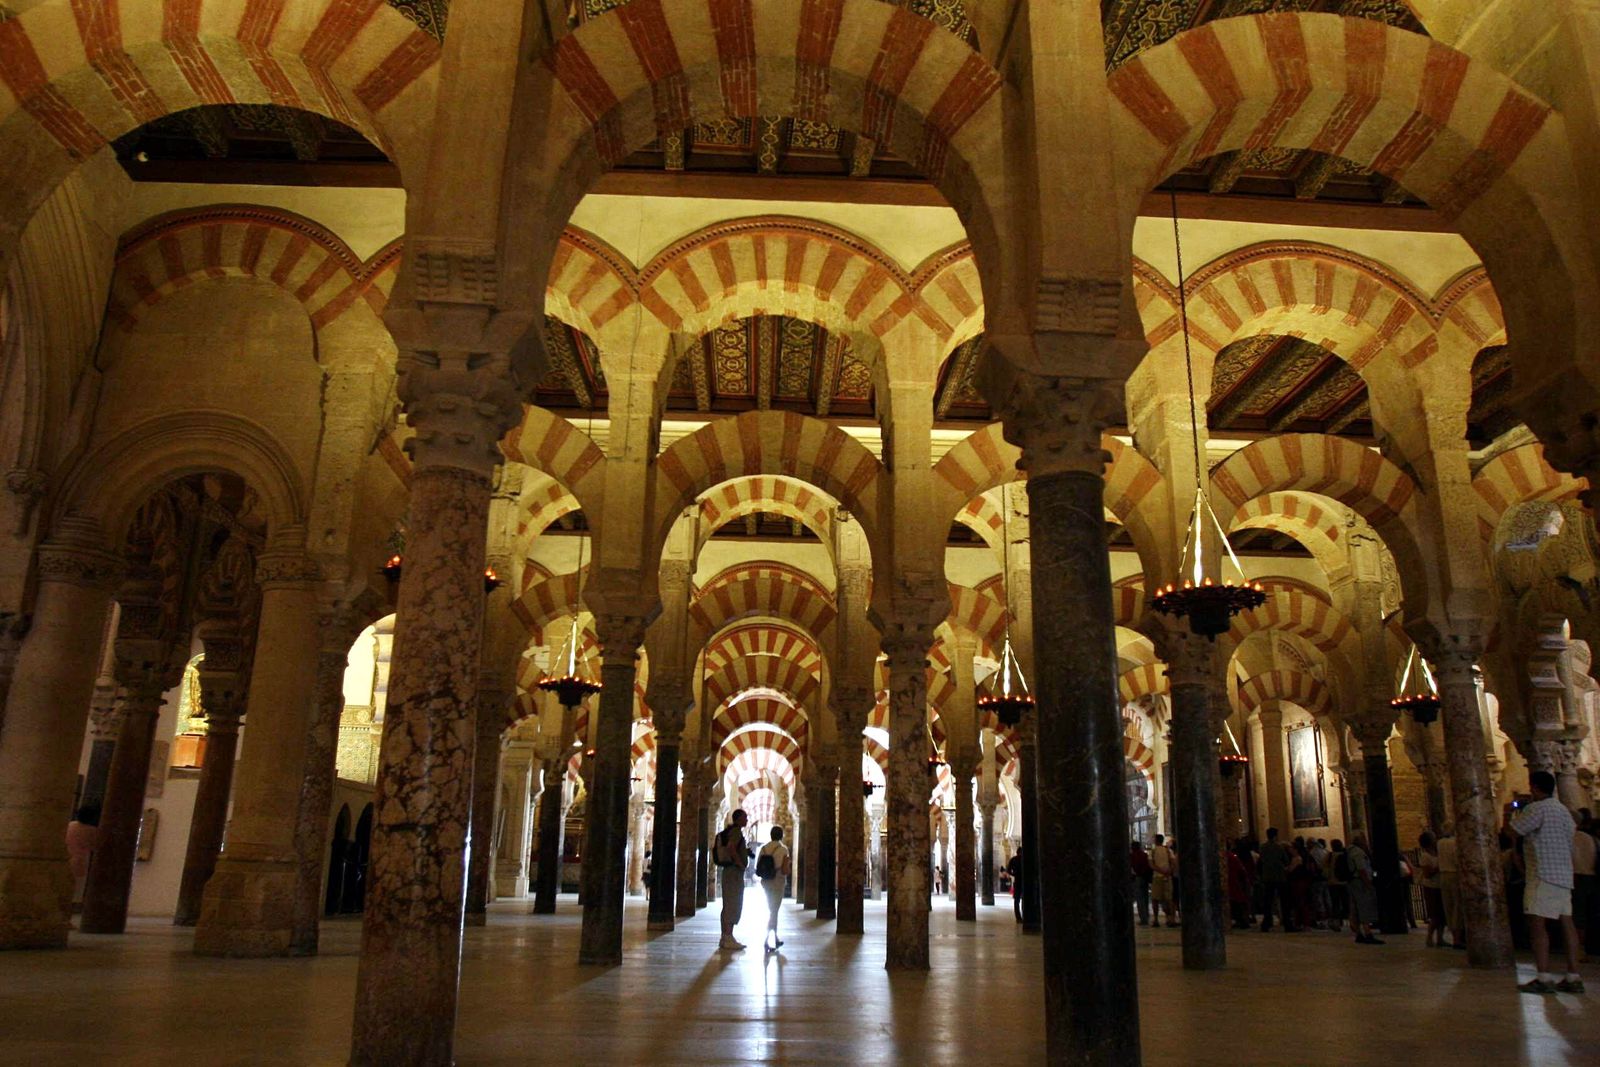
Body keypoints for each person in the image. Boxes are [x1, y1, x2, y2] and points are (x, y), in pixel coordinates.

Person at [1508, 771, 1584, 994]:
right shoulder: (1563, 811)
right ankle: (1573, 975)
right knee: (1567, 923)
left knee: (1537, 924)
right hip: (1564, 875)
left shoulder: (1537, 808)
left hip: (1542, 874)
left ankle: (1543, 976)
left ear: (1535, 788)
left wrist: (1513, 813)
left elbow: (1512, 831)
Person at [714, 809, 752, 951]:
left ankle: (725, 937)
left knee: (728, 903)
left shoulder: (730, 831)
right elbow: (731, 847)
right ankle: (728, 937)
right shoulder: (736, 831)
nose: (747, 820)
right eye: (745, 817)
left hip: (728, 872)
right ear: (738, 819)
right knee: (733, 903)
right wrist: (740, 863)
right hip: (734, 872)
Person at [757, 826, 791, 952]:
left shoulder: (764, 848)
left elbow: (758, 866)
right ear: (781, 836)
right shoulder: (783, 849)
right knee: (774, 911)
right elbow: (785, 870)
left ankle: (775, 939)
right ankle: (767, 939)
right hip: (778, 881)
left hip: (766, 881)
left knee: (772, 909)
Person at [1346, 832, 1384, 945]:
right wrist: (1368, 883)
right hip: (1360, 882)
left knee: (1356, 907)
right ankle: (1368, 933)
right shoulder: (1358, 852)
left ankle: (1358, 933)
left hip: (1353, 881)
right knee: (1364, 906)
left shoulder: (1349, 851)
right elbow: (1362, 869)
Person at [1257, 828, 1296, 932]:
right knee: (1284, 901)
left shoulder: (1263, 847)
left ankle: (1266, 923)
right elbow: (1286, 861)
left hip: (1267, 877)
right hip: (1279, 876)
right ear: (1275, 836)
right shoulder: (1279, 847)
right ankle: (1287, 923)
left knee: (1268, 901)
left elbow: (1260, 862)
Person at [65, 803, 101, 906]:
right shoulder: (92, 830)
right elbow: (96, 846)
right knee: (76, 891)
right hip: (80, 862)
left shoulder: (70, 825)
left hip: (66, 858)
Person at [1436, 830, 1464, 949]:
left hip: (1443, 875)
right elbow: (1457, 860)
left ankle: (1454, 937)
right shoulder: (1455, 843)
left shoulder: (1440, 843)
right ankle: (1458, 938)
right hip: (1454, 874)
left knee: (1449, 907)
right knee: (1457, 907)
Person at [1417, 830, 1445, 947]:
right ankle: (1429, 937)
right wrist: (1439, 868)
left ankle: (1440, 938)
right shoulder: (1425, 856)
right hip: (1431, 887)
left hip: (1440, 885)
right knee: (1435, 914)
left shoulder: (1438, 853)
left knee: (1442, 914)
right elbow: (1427, 874)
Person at [1149, 834, 1178, 928]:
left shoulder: (1152, 851)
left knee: (1155, 899)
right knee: (1168, 898)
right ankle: (1169, 919)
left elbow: (1151, 864)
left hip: (1157, 877)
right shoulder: (1168, 851)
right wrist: (1168, 872)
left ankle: (1156, 919)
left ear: (1155, 841)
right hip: (1167, 877)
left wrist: (1160, 870)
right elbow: (1173, 863)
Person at [1227, 837, 1255, 930]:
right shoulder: (1233, 857)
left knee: (1237, 903)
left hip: (1234, 883)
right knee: (1241, 902)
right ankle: (1244, 919)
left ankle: (1242, 920)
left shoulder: (1230, 857)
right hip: (1237, 882)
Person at [1325, 839, 1348, 933]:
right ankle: (1344, 919)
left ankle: (1336, 921)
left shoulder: (1330, 856)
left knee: (1335, 903)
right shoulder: (1345, 855)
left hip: (1332, 882)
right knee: (1345, 902)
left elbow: (1325, 868)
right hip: (1344, 882)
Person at [1129, 840, 1152, 927]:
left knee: (1140, 899)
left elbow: (1132, 866)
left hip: (1137, 878)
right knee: (1145, 898)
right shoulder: (1144, 855)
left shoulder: (1132, 856)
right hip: (1145, 878)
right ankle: (1146, 916)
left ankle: (1143, 919)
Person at [1007, 848, 1024, 923]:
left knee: (1016, 900)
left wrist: (1014, 874)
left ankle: (1018, 918)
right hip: (1025, 882)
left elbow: (1008, 870)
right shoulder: (1025, 859)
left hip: (1017, 881)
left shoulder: (1013, 859)